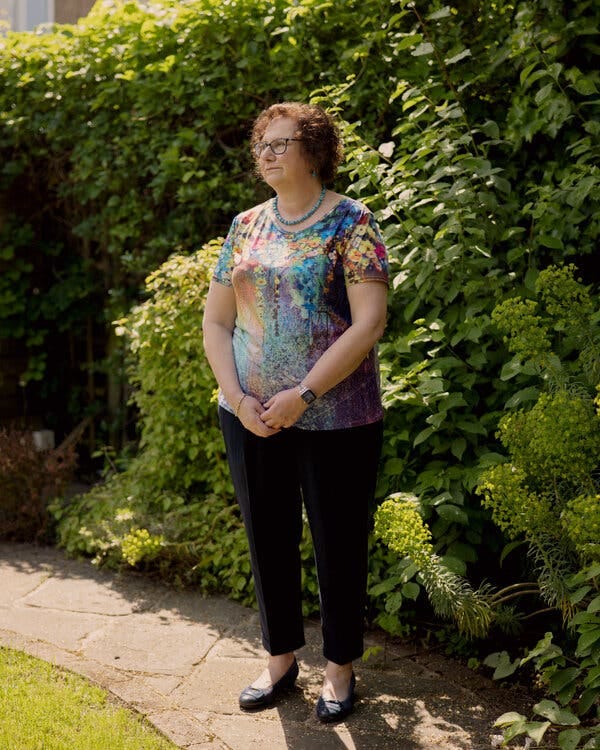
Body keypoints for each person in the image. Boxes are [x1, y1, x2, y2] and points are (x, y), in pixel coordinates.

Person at [202, 101, 388, 723]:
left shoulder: (351, 223)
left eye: (283, 143)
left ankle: (340, 669)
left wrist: (303, 393)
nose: (269, 153)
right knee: (267, 537)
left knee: (337, 541)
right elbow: (216, 320)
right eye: (263, 144)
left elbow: (369, 324)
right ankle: (280, 658)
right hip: (250, 414)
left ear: (315, 151)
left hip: (336, 417)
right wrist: (236, 397)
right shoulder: (245, 225)